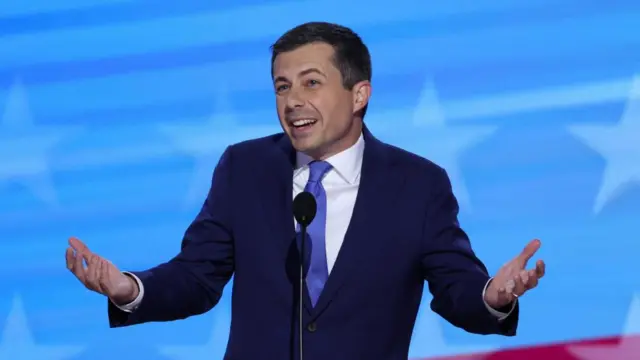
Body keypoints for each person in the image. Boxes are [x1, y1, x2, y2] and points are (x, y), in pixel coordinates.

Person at [66, 22, 545, 359]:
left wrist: (494, 296)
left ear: (359, 94)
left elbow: (457, 288)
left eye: (311, 83)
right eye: (281, 86)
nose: (292, 101)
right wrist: (129, 288)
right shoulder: (245, 168)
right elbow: (196, 278)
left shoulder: (417, 185)